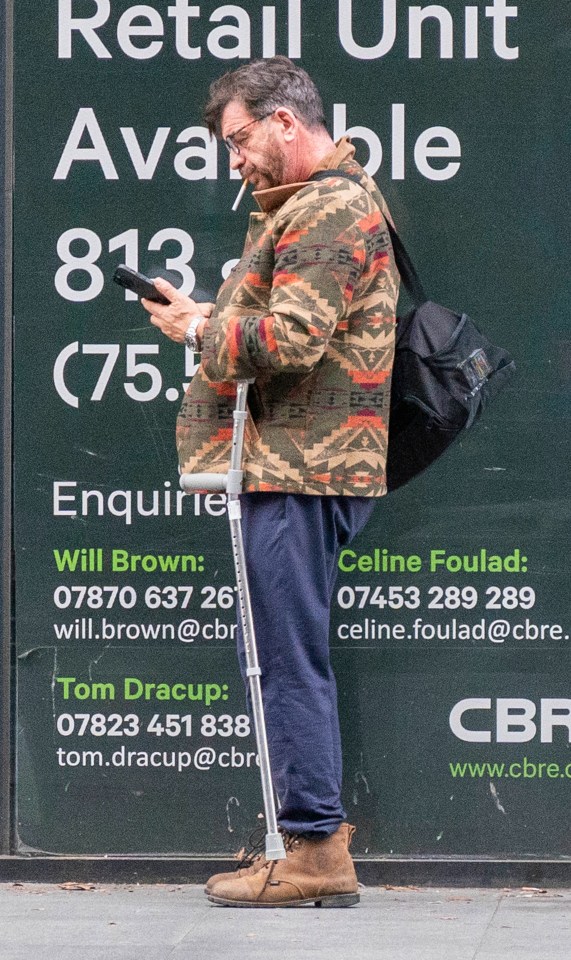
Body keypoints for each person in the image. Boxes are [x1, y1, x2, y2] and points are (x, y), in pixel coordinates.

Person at [141, 56, 399, 908]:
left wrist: (195, 328)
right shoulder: (315, 203)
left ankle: (316, 852)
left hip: (300, 470)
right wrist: (212, 321)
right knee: (287, 659)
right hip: (297, 463)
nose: (235, 159)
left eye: (240, 139)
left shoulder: (329, 205)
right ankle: (305, 843)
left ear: (286, 122)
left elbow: (287, 341)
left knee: (286, 662)